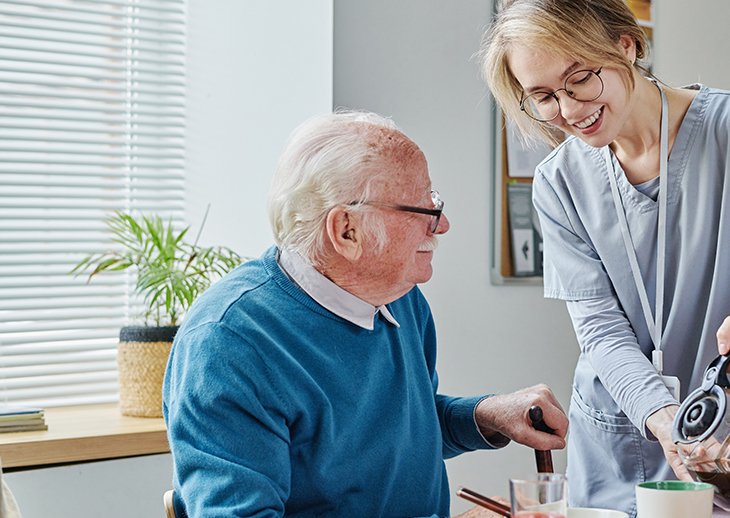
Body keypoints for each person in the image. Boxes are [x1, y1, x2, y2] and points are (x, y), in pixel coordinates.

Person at [479, 0, 730, 515]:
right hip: (614, 446)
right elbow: (599, 329)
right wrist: (661, 414)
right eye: (543, 96)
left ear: (626, 45)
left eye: (579, 78)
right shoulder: (557, 182)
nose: (569, 109)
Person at [162, 110, 568, 518]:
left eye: (437, 203)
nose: (442, 225)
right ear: (347, 231)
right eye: (424, 210)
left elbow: (393, 434)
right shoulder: (228, 343)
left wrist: (486, 415)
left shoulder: (399, 297)